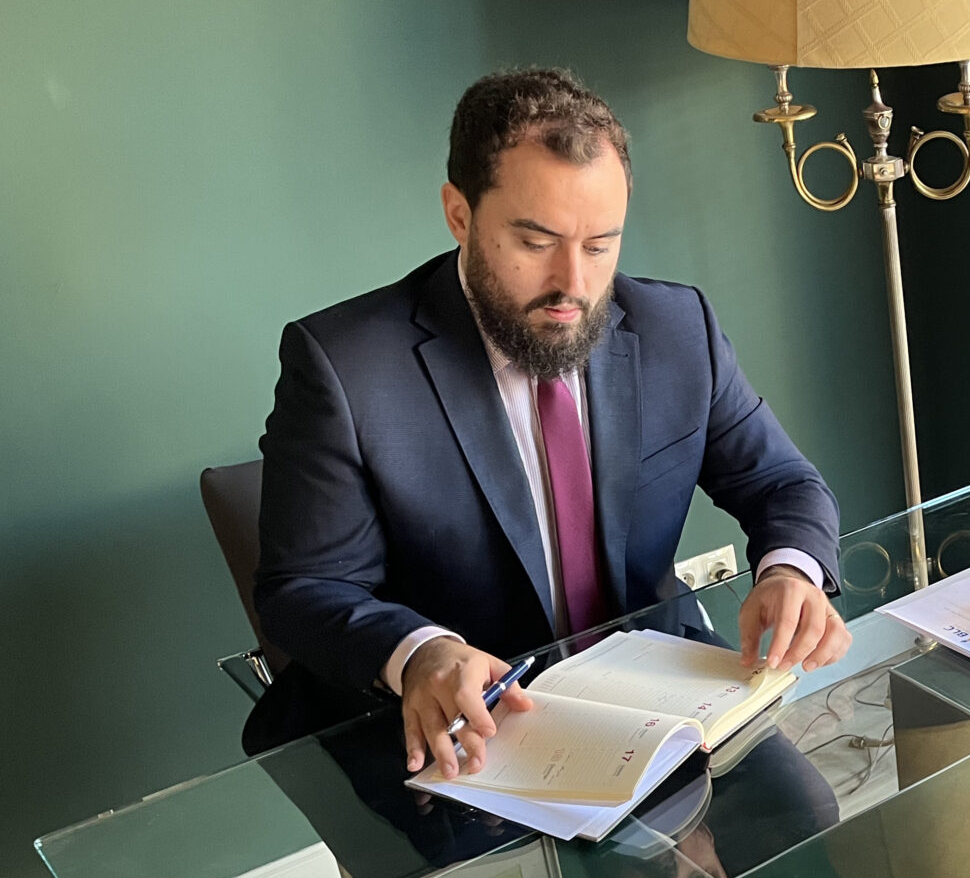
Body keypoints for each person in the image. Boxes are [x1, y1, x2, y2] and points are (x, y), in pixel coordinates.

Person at [249, 68, 852, 778]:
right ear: (460, 215)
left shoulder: (677, 328)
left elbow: (781, 482)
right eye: (537, 243)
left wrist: (790, 570)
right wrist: (420, 652)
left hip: (656, 691)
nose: (574, 283)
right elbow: (308, 586)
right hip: (465, 731)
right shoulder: (346, 367)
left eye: (600, 245)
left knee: (806, 816)